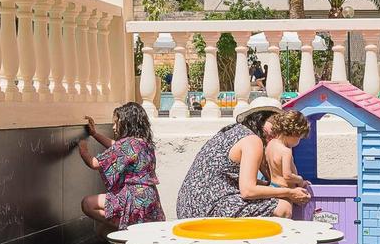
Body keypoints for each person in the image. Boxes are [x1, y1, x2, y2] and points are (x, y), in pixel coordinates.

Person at [176, 97, 310, 219]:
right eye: (274, 123)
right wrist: (289, 192)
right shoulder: (252, 140)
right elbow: (248, 191)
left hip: (188, 205)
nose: (277, 130)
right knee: (283, 207)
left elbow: (233, 179)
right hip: (205, 208)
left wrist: (271, 186)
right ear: (260, 118)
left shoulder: (234, 131)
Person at [79, 102, 166, 236]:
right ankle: (130, 229)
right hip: (150, 198)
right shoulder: (143, 143)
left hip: (133, 198)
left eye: (116, 122)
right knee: (103, 233)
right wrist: (95, 134)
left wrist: (82, 148)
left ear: (126, 123)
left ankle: (127, 228)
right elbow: (116, 147)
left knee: (87, 204)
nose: (113, 127)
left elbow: (94, 163)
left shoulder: (127, 144)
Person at [264, 110, 311, 218]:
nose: (299, 142)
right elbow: (287, 175)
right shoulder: (286, 151)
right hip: (284, 192)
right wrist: (300, 180)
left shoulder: (271, 144)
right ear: (294, 133)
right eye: (299, 138)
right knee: (286, 219)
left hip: (273, 188)